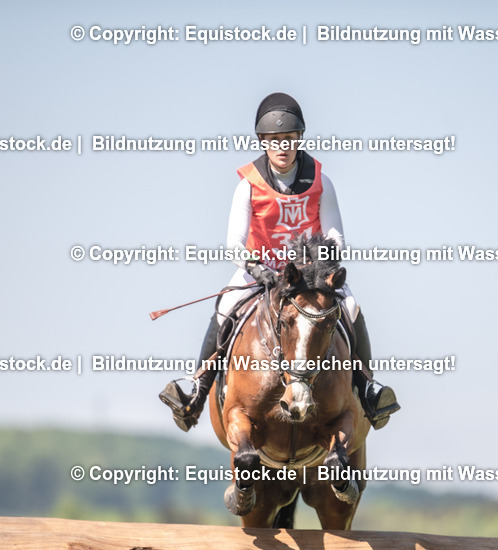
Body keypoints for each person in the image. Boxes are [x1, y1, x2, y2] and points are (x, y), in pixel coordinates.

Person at [160, 92, 399, 432]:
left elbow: (336, 238)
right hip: (263, 273)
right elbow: (234, 243)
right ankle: (197, 390)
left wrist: (317, 265)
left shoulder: (321, 182)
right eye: (274, 140)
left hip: (310, 278)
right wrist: (257, 268)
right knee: (225, 306)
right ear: (263, 142)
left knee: (351, 306)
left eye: (288, 139)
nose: (282, 147)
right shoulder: (248, 186)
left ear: (299, 138)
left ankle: (368, 389)